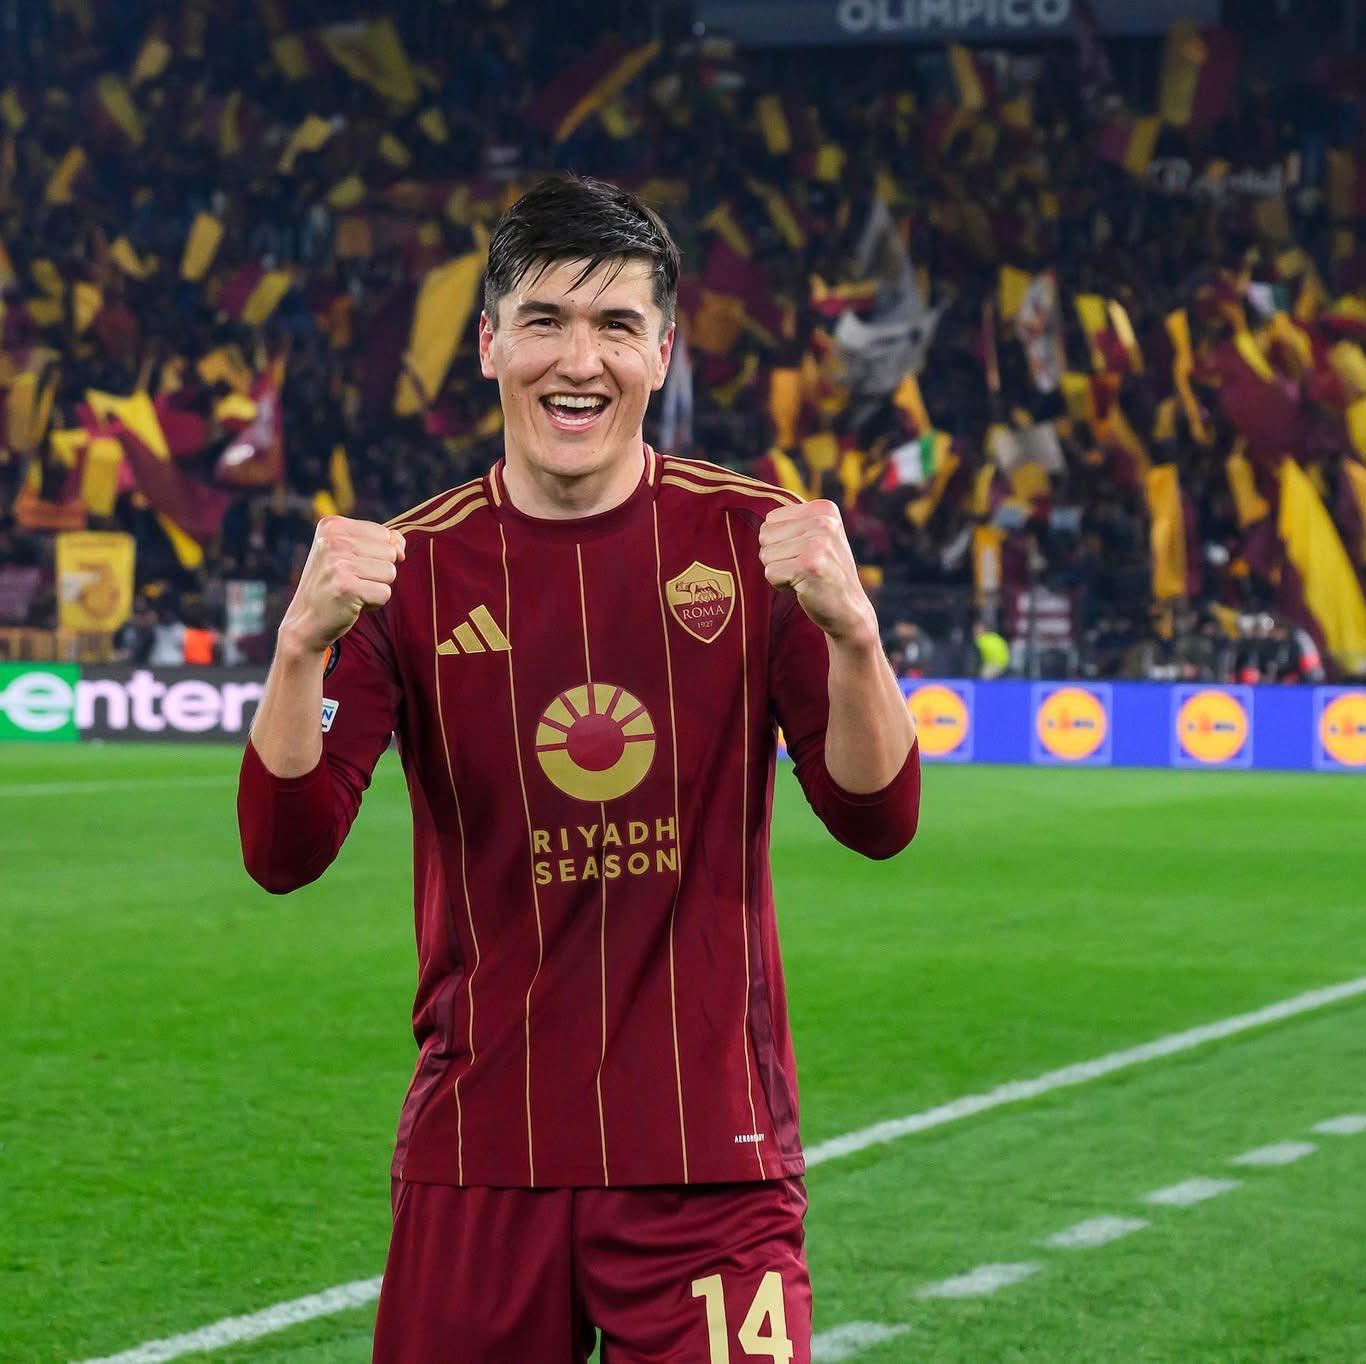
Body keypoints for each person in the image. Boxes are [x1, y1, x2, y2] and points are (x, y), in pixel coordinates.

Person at [237, 175, 920, 1363]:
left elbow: (878, 815)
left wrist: (855, 637)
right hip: (479, 1151)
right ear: (488, 342)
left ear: (662, 351)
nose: (578, 359)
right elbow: (281, 850)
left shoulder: (753, 545)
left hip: (708, 1158)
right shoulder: (405, 570)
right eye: (544, 320)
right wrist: (299, 648)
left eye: (614, 325)